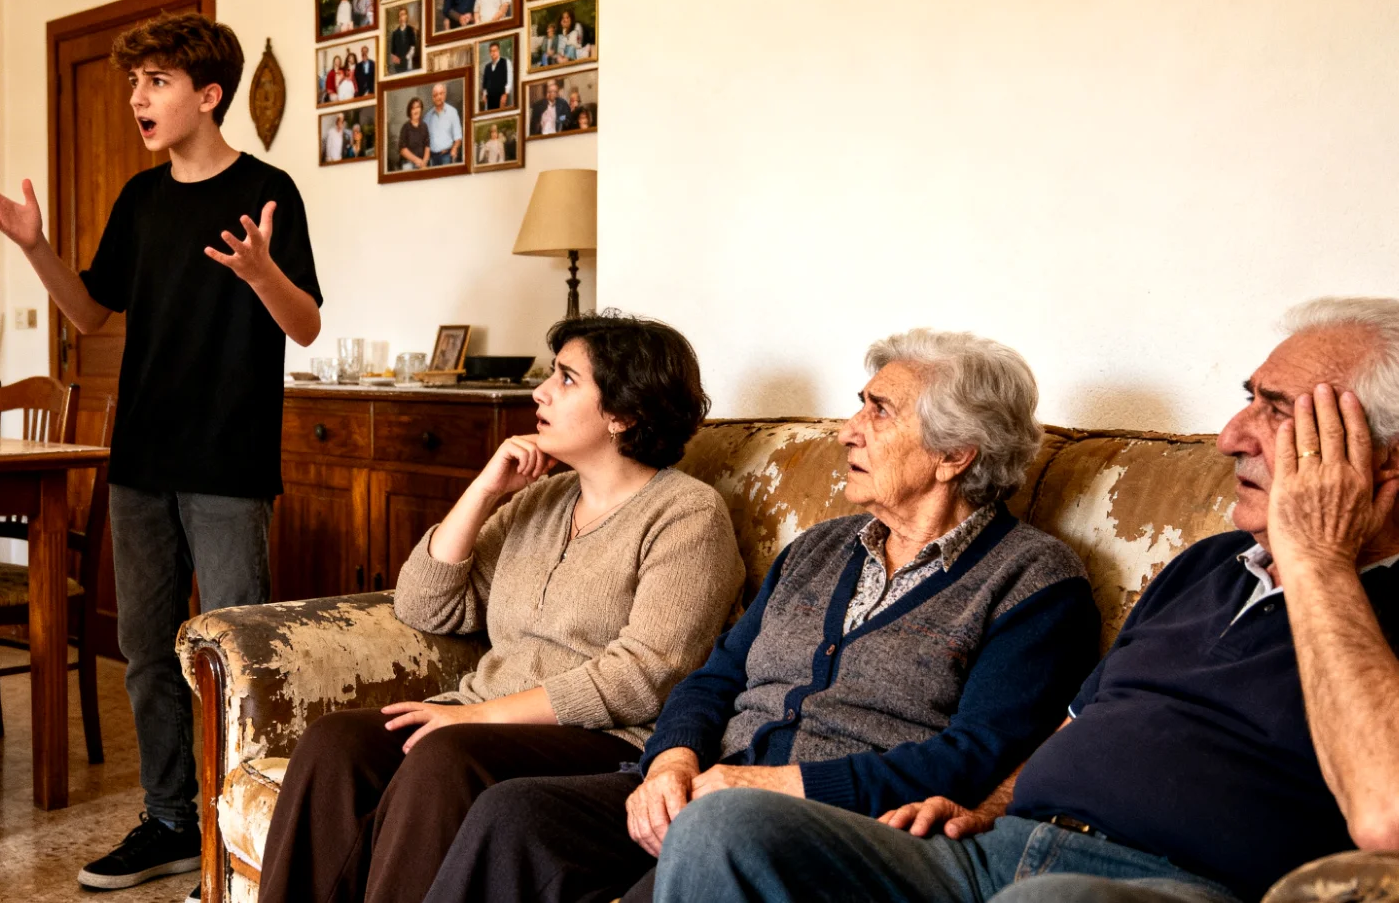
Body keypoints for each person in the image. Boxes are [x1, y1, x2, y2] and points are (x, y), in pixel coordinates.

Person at [652, 297, 1399, 903]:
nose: (1229, 435)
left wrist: (1319, 558)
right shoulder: (1207, 563)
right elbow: (1077, 720)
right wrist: (991, 803)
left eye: (1275, 410)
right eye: (1246, 401)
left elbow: (1385, 814)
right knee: (724, 826)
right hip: (995, 849)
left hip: (1168, 883)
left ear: (1382, 457)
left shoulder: (1033, 576)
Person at [427, 330, 1098, 903]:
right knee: (513, 813)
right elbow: (714, 678)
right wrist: (671, 761)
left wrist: (766, 783)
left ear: (954, 455)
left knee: (688, 858)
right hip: (704, 785)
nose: (847, 431)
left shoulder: (1034, 581)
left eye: (879, 411)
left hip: (829, 824)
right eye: (857, 406)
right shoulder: (821, 548)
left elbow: (973, 757)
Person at [0, 11, 323, 899]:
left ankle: (242, 830)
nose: (138, 98)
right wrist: (33, 247)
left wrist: (260, 274)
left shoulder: (269, 189)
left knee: (235, 649)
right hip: (140, 460)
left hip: (227, 462)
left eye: (156, 82)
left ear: (208, 95)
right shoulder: (139, 199)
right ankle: (170, 819)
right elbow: (91, 314)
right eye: (134, 84)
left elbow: (307, 323)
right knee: (148, 645)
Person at [258, 313, 746, 903]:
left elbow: (646, 676)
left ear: (624, 413)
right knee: (336, 743)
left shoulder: (687, 514)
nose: (540, 391)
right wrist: (484, 490)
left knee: (445, 755)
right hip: (479, 719)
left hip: (608, 739)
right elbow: (425, 605)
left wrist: (476, 718)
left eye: (566, 379)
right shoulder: (539, 499)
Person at [423, 81, 463, 166]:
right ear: (432, 97)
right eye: (435, 95)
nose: (438, 97)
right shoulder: (427, 117)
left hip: (447, 156)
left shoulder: (452, 112)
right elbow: (425, 141)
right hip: (432, 158)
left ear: (445, 94)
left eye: (441, 93)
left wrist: (454, 149)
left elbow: (458, 138)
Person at [397, 97, 431, 170]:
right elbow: (402, 149)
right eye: (413, 108)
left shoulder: (424, 126)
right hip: (408, 163)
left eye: (418, 107)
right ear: (410, 111)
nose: (416, 110)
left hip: (422, 163)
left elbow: (427, 146)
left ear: (421, 109)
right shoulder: (405, 127)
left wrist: (424, 162)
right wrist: (417, 161)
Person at [481, 41, 513, 111]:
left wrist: (505, 94)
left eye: (495, 50)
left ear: (499, 51)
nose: (493, 53)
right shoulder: (487, 67)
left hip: (501, 97)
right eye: (491, 51)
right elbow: (485, 83)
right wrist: (484, 95)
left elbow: (509, 79)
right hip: (489, 99)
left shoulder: (506, 62)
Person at [388, 6, 419, 74]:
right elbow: (393, 52)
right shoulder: (395, 33)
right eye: (400, 15)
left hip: (408, 62)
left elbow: (412, 48)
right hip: (398, 65)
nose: (401, 17)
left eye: (403, 14)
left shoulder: (410, 30)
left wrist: (405, 59)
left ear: (406, 16)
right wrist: (396, 59)